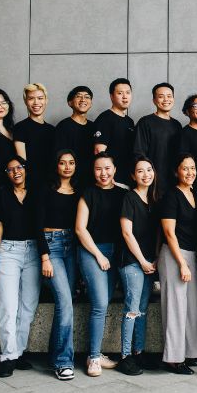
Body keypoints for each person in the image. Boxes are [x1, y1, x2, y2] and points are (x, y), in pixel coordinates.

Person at [0, 156, 41, 378]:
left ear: (26, 169)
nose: (15, 172)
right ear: (6, 174)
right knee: (8, 307)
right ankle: (8, 356)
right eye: (10, 169)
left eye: (19, 167)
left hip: (33, 252)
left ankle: (18, 351)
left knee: (28, 306)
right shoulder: (1, 195)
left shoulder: (36, 193)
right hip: (8, 252)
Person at [75, 152, 125, 377]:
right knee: (100, 303)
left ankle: (96, 353)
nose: (103, 173)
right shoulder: (88, 193)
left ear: (114, 170)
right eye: (98, 169)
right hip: (91, 251)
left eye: (107, 168)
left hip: (116, 253)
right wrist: (98, 255)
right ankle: (94, 357)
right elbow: (80, 229)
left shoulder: (123, 194)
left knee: (105, 302)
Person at [158, 154, 197, 374]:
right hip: (174, 256)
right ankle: (173, 359)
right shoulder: (171, 196)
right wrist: (182, 264)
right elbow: (169, 233)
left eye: (193, 168)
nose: (190, 172)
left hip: (193, 254)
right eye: (185, 168)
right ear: (176, 171)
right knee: (175, 307)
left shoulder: (194, 193)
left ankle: (192, 353)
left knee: (194, 306)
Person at [37, 150, 80, 381]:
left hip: (71, 247)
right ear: (56, 166)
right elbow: (37, 225)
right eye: (62, 163)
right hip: (51, 246)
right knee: (64, 302)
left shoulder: (78, 191)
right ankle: (64, 361)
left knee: (66, 303)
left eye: (71, 163)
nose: (67, 167)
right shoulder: (46, 190)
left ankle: (55, 357)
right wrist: (44, 257)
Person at [117, 155, 160, 376]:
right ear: (133, 176)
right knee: (132, 309)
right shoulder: (129, 198)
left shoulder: (154, 200)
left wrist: (155, 259)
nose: (146, 174)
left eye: (149, 169)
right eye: (140, 171)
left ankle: (138, 352)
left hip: (150, 262)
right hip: (132, 262)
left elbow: (160, 233)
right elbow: (127, 233)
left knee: (142, 309)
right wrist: (142, 260)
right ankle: (125, 356)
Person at [135, 82, 183, 197]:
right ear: (154, 100)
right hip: (152, 183)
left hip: (174, 183)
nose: (166, 99)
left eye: (169, 96)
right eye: (161, 96)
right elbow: (139, 153)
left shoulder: (177, 125)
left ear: (173, 99)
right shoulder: (145, 122)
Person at [93, 78, 136, 186]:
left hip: (127, 178)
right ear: (111, 96)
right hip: (113, 180)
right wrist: (108, 177)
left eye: (128, 92)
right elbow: (99, 151)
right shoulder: (105, 118)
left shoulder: (129, 121)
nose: (125, 96)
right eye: (120, 93)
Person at [14, 83, 56, 189]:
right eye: (31, 98)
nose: (36, 102)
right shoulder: (20, 127)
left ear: (46, 100)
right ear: (25, 102)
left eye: (40, 98)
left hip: (52, 184)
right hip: (30, 184)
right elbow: (22, 162)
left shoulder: (52, 130)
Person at [54, 85, 95, 187]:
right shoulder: (63, 126)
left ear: (91, 103)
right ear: (70, 102)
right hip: (71, 181)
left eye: (87, 97)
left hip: (92, 179)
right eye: (78, 96)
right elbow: (58, 157)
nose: (83, 99)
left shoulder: (94, 127)